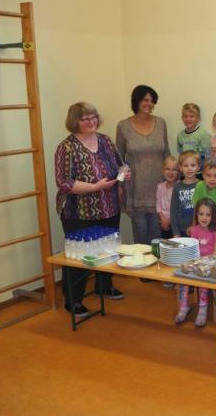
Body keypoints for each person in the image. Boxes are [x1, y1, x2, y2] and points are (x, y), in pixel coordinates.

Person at [54, 102, 126, 316]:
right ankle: (73, 299)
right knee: (79, 257)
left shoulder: (105, 140)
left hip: (109, 205)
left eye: (93, 117)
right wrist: (95, 187)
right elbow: (63, 182)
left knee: (109, 249)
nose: (91, 121)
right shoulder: (66, 147)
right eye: (85, 119)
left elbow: (120, 164)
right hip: (78, 211)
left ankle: (104, 286)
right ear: (74, 121)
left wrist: (123, 173)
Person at [116, 84, 171, 247]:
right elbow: (118, 159)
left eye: (152, 100)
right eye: (145, 100)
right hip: (135, 188)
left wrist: (173, 181)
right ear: (137, 101)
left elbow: (166, 153)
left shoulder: (161, 123)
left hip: (159, 187)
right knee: (141, 239)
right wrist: (119, 185)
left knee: (158, 238)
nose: (149, 104)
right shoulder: (123, 126)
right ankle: (141, 271)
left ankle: (156, 272)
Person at [175, 199, 216, 327]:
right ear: (196, 215)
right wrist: (194, 263)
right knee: (182, 279)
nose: (204, 217)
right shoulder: (194, 230)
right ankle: (184, 306)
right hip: (196, 262)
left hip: (211, 264)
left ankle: (203, 309)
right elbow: (192, 249)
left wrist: (203, 263)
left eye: (208, 214)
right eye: (201, 214)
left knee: (203, 282)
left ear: (213, 216)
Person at [177, 102, 212, 177]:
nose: (188, 119)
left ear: (198, 119)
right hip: (185, 173)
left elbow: (208, 155)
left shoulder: (203, 135)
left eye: (192, 116)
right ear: (182, 118)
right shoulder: (180, 135)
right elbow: (180, 154)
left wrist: (206, 172)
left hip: (199, 173)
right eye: (185, 116)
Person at [170, 151, 200, 237]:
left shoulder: (202, 185)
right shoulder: (177, 187)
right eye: (186, 165)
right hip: (181, 230)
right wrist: (176, 232)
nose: (189, 168)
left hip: (199, 230)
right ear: (180, 167)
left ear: (198, 167)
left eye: (193, 165)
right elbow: (173, 211)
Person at [156, 155, 178, 240]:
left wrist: (169, 220)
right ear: (163, 170)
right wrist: (163, 219)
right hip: (163, 223)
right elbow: (158, 205)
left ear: (179, 171)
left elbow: (177, 208)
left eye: (174, 170)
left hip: (175, 223)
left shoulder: (179, 187)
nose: (170, 172)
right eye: (168, 169)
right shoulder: (160, 187)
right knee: (166, 245)